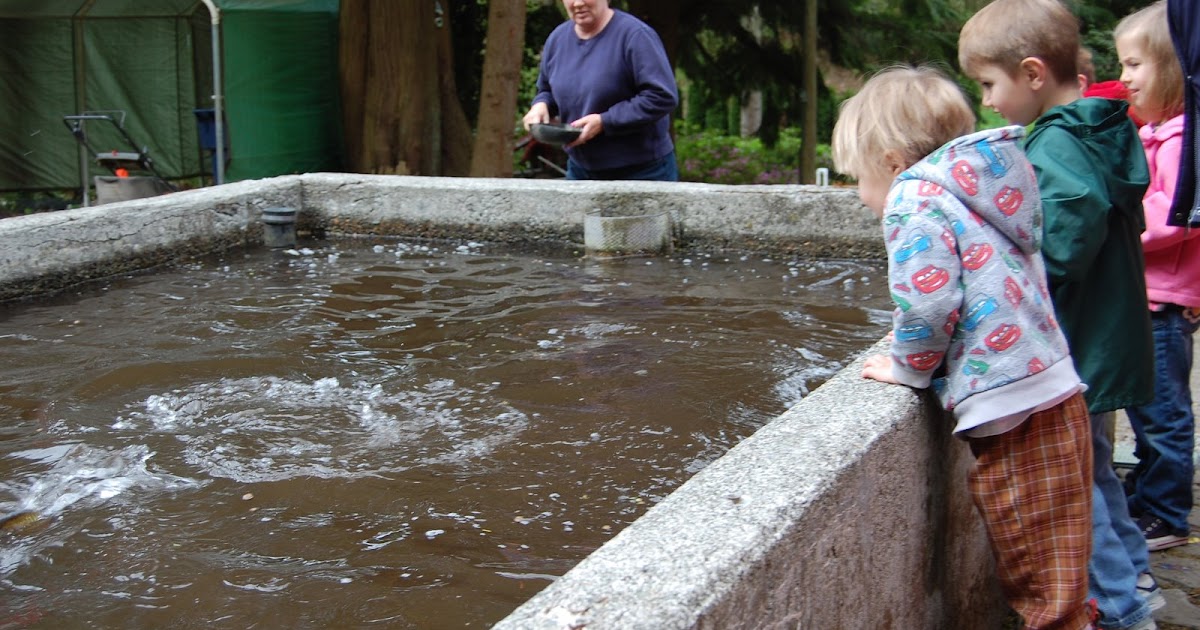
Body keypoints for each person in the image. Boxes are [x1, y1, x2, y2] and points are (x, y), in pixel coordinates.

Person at [833, 64, 1093, 630]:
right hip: (1050, 387)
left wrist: (907, 368)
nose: (858, 194)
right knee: (1061, 568)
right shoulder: (980, 190)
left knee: (1040, 584)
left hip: (1013, 408)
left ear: (892, 162)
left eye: (857, 177)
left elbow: (927, 306)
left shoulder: (912, 196)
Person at [958, 1, 1162, 629]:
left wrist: (1003, 265)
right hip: (1107, 335)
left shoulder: (1058, 142)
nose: (987, 101)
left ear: (1032, 73)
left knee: (1076, 489)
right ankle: (1137, 579)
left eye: (988, 84)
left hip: (1080, 344)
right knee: (1097, 470)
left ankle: (1121, 610)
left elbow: (1063, 242)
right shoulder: (1100, 126)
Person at [1114, 0, 1200, 553]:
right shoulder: (1161, 135)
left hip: (1164, 304)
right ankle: (1148, 490)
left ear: (1172, 69)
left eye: (1134, 64)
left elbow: (1174, 214)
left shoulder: (1181, 141)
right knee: (1145, 408)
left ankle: (1166, 513)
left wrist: (1116, 225)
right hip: (1150, 298)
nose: (1124, 77)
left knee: (1163, 413)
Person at [521, 0, 679, 181]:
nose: (577, 3)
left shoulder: (636, 35)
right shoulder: (557, 39)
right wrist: (541, 105)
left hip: (644, 170)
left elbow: (662, 96)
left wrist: (605, 121)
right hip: (580, 170)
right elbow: (546, 89)